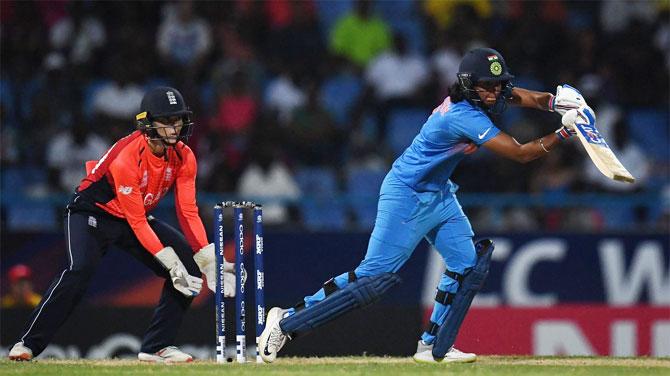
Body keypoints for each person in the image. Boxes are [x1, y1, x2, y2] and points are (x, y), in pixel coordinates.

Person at [258, 47, 589, 363]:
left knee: (467, 263)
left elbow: (520, 95)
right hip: (406, 196)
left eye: (498, 85)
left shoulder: (480, 96)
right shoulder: (463, 116)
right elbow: (520, 153)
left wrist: (556, 100)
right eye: (486, 87)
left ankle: (431, 345)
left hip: (439, 194)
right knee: (373, 278)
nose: (494, 93)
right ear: (468, 86)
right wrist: (564, 132)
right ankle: (286, 321)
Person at [8, 87, 236, 362]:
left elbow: (187, 210)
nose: (174, 128)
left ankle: (157, 347)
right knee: (79, 271)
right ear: (147, 123)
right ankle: (28, 344)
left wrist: (207, 257)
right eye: (166, 121)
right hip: (91, 213)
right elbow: (138, 222)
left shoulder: (185, 155)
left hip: (131, 215)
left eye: (177, 120)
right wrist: (169, 262)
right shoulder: (127, 156)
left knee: (190, 265)